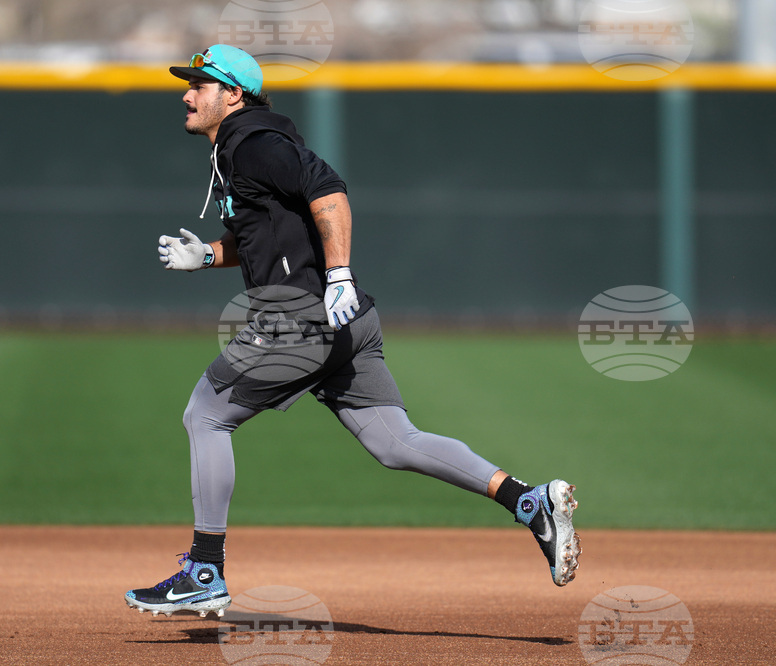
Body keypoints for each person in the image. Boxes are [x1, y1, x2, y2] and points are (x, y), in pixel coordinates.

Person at [125, 45, 580, 619]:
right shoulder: (244, 148)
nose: (187, 95)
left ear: (233, 94)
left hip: (301, 319)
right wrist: (209, 256)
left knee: (206, 413)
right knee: (395, 442)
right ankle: (528, 500)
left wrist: (336, 273)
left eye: (199, 85)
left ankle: (205, 570)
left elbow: (329, 193)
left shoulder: (255, 144)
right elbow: (272, 235)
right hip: (346, 322)